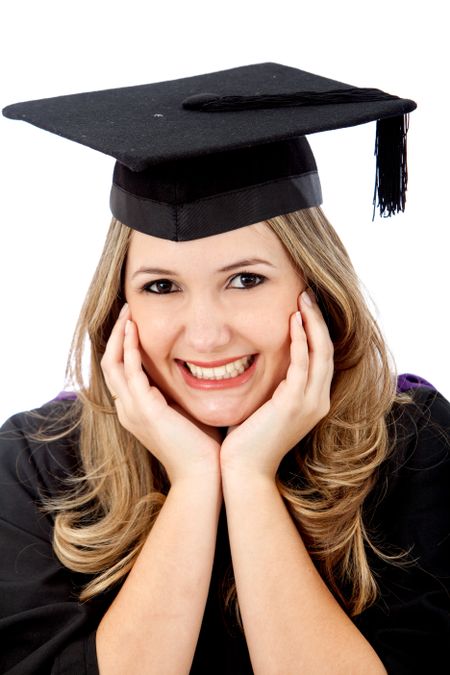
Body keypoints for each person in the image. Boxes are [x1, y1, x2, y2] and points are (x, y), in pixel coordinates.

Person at [0, 63, 448, 675]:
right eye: (161, 285)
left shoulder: (415, 444)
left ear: (314, 288)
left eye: (245, 280)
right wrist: (192, 482)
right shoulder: (36, 462)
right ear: (120, 307)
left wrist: (249, 476)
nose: (206, 334)